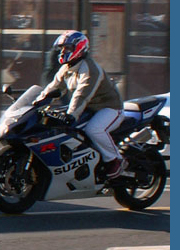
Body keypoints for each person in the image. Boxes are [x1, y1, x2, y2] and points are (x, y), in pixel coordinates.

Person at [34, 30, 126, 178]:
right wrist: (37, 102)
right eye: (62, 48)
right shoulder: (67, 67)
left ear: (79, 47)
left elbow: (82, 95)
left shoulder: (90, 69)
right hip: (90, 108)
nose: (63, 51)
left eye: (67, 48)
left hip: (109, 108)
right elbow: (54, 87)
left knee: (94, 129)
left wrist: (71, 114)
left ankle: (115, 159)